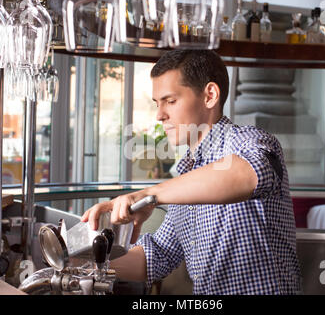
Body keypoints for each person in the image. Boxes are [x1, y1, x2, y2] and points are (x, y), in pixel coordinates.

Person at [81, 50, 301, 295]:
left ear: (209, 95)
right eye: (157, 103)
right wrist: (77, 259)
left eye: (170, 101)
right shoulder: (186, 178)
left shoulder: (250, 140)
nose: (159, 115)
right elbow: (155, 258)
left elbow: (248, 174)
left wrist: (148, 195)